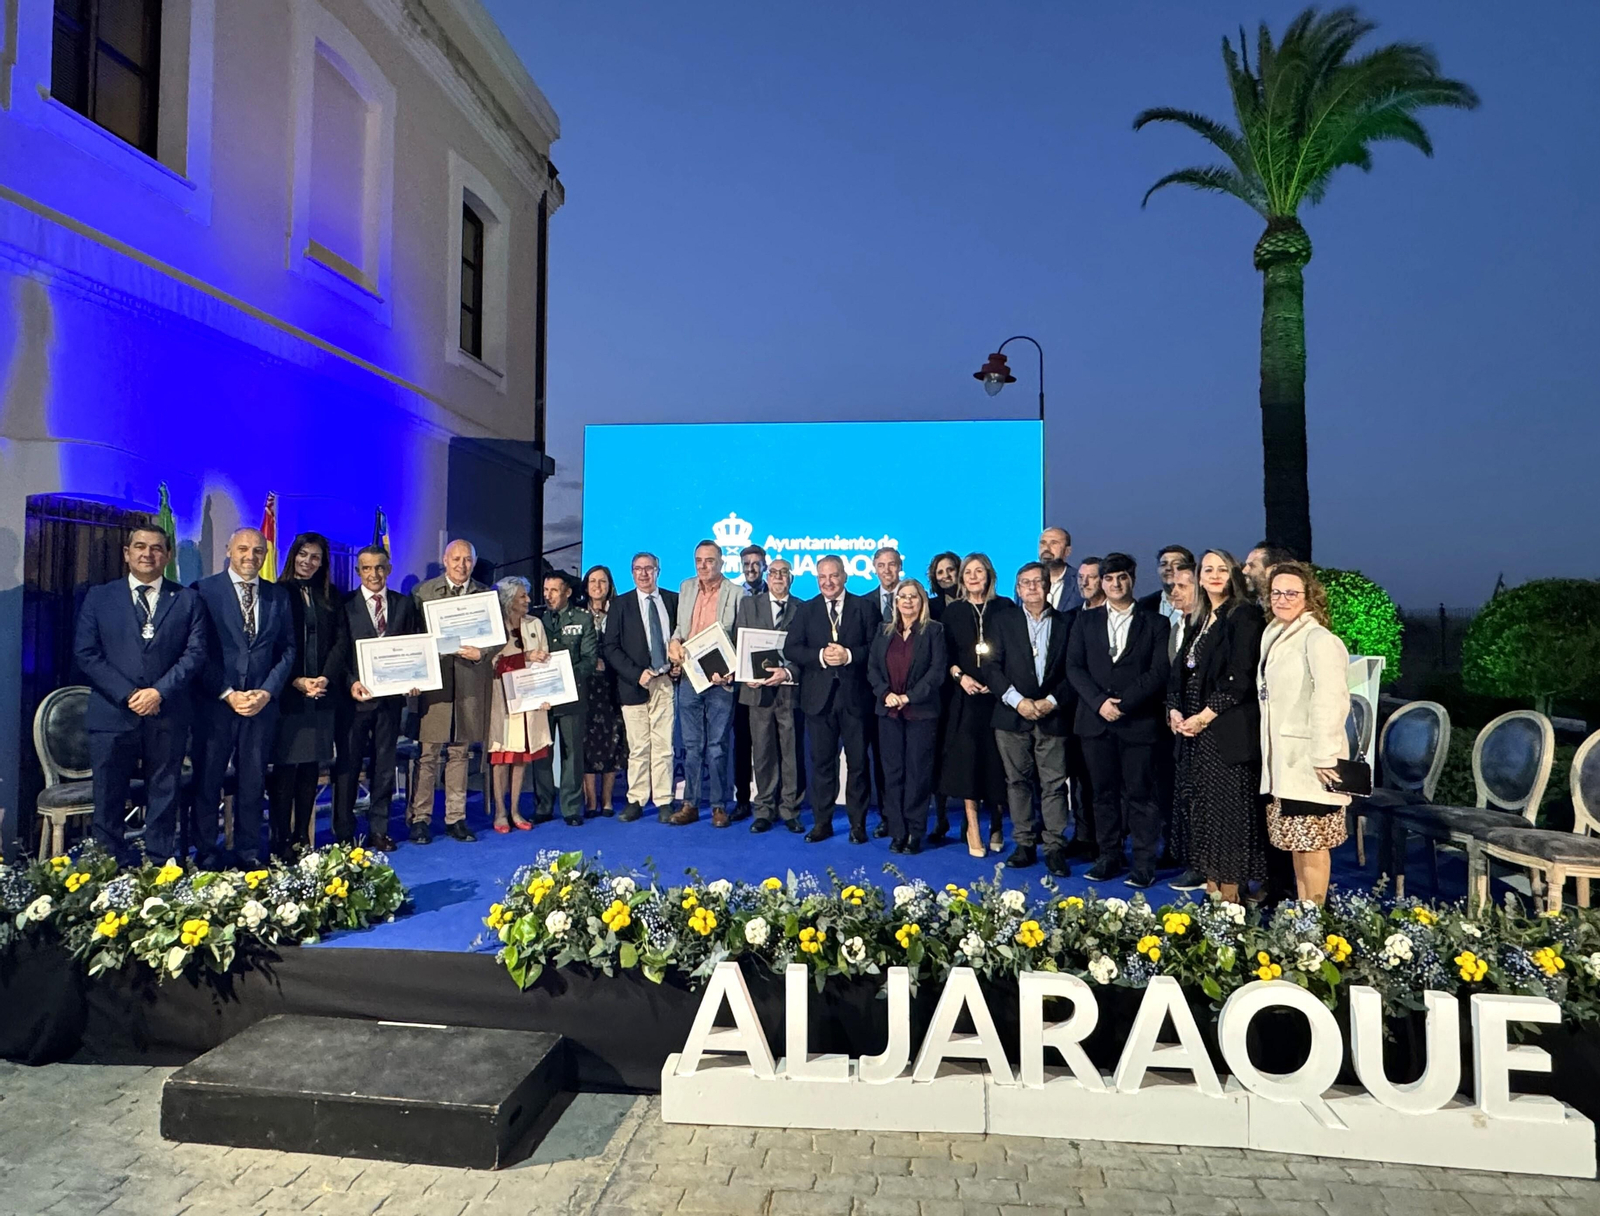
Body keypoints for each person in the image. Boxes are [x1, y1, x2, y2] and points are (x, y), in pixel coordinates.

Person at [72, 525, 207, 865]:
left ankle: (159, 868)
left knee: (164, 792)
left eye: (157, 548)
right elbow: (86, 654)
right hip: (112, 713)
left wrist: (157, 692)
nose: (148, 554)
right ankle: (107, 869)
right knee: (109, 796)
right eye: (141, 547)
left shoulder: (188, 600)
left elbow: (194, 654)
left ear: (168, 555)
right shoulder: (99, 597)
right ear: (127, 553)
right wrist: (130, 694)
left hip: (167, 712)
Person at [1064, 552, 1171, 888]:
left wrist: (1123, 704)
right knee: (1102, 795)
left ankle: (1143, 863)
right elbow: (1074, 668)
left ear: (1132, 579)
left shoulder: (1155, 623)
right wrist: (1099, 703)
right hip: (1096, 722)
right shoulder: (1085, 621)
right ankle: (1109, 856)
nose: (1114, 584)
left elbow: (1157, 672)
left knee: (1140, 795)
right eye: (1108, 579)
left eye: (1121, 577)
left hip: (1137, 722)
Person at [1166, 550, 1266, 902]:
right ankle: (1212, 895)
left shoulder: (1243, 615)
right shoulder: (1201, 617)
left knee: (1228, 822)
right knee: (1204, 819)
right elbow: (1181, 673)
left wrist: (1204, 717)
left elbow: (1239, 680)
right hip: (1193, 737)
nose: (1214, 574)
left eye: (1221, 568)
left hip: (1225, 736)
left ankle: (1231, 903)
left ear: (1233, 573)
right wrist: (1174, 711)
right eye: (1207, 569)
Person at [193, 527, 296, 867]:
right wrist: (227, 693)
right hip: (215, 705)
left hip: (261, 707)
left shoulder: (277, 596)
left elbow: (287, 650)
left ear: (265, 556)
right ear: (228, 550)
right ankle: (207, 853)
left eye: (257, 551)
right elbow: (198, 653)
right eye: (242, 549)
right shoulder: (203, 592)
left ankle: (249, 852)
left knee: (252, 784)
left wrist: (267, 691)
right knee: (208, 783)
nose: (250, 556)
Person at [1258, 561, 1351, 904]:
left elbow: (1332, 697)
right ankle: (1304, 912)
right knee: (1298, 845)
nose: (1282, 599)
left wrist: (1325, 754)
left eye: (1291, 593)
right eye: (1276, 592)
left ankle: (1315, 919)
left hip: (1311, 763)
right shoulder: (1276, 634)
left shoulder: (1318, 639)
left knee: (1312, 846)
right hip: (1286, 762)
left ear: (1309, 597)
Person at [981, 562, 1074, 875]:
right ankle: (1024, 843)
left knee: (1054, 784)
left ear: (1048, 586)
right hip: (1011, 715)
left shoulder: (1066, 623)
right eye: (1025, 583)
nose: (1032, 588)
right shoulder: (1002, 620)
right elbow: (990, 668)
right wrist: (1018, 701)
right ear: (1017, 590)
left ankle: (1055, 846)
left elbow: (1073, 670)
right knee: (1017, 783)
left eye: (1038, 582)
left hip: (1053, 715)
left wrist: (1049, 702)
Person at [784, 554, 876, 842]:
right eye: (822, 577)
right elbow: (792, 649)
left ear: (845, 576)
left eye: (833, 575)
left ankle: (857, 825)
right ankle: (822, 823)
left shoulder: (865, 607)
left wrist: (849, 655)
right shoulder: (806, 610)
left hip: (855, 699)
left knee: (859, 765)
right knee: (822, 764)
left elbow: (876, 648)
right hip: (818, 700)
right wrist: (821, 656)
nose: (828, 582)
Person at [265, 533, 347, 859]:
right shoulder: (276, 593)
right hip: (288, 695)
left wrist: (324, 677)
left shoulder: (331, 596)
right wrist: (297, 681)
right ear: (292, 556)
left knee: (311, 769)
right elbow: (272, 646)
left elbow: (341, 642)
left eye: (315, 557)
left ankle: (302, 837)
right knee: (285, 770)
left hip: (322, 696)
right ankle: (280, 839)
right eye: (303, 554)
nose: (308, 562)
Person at [333, 545, 419, 851]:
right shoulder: (344, 605)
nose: (374, 574)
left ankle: (378, 830)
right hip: (353, 701)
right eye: (367, 568)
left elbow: (414, 648)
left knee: (384, 767)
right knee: (348, 766)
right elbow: (338, 655)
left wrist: (414, 680)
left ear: (389, 569)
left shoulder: (404, 605)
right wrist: (351, 682)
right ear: (358, 572)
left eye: (379, 567)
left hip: (390, 702)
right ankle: (344, 832)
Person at [409, 539, 494, 844]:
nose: (461, 565)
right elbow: (413, 636)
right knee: (428, 754)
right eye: (456, 559)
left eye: (467, 560)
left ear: (474, 561)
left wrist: (481, 653)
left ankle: (455, 818)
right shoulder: (423, 593)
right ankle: (420, 819)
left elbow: (496, 637)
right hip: (436, 686)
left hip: (470, 684)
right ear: (444, 560)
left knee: (460, 753)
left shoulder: (485, 595)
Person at [937, 552, 1012, 858]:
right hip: (965, 698)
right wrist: (961, 677)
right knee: (969, 764)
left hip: (997, 697)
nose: (973, 576)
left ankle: (996, 822)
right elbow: (945, 657)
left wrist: (998, 683)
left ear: (989, 575)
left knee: (995, 763)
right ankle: (972, 827)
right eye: (968, 572)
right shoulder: (952, 612)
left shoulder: (1005, 608)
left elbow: (1015, 653)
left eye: (978, 571)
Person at [666, 540, 743, 827]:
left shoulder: (736, 593)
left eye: (709, 560)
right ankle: (690, 804)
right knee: (691, 744)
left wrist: (730, 669)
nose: (703, 566)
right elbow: (680, 629)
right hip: (690, 676)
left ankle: (719, 806)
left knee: (718, 746)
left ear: (721, 562)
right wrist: (673, 642)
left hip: (721, 679)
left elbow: (739, 636)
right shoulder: (686, 588)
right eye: (698, 560)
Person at [867, 579, 947, 853]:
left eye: (913, 596)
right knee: (892, 774)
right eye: (903, 596)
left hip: (920, 712)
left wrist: (908, 697)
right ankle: (897, 831)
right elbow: (872, 669)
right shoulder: (883, 631)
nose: (908, 601)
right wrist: (885, 692)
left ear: (922, 601)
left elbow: (936, 673)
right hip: (887, 712)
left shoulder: (934, 631)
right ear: (895, 601)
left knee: (917, 774)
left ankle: (915, 832)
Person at [602, 552, 679, 821]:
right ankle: (636, 799)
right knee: (638, 747)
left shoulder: (673, 600)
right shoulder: (621, 604)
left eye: (649, 568)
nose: (644, 574)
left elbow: (681, 639)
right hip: (633, 685)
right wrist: (637, 674)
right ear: (631, 573)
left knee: (664, 745)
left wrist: (678, 664)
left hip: (666, 682)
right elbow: (610, 647)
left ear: (658, 570)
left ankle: (664, 801)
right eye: (638, 569)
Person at [738, 557, 805, 834]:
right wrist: (746, 674)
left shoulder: (803, 608)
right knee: (763, 752)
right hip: (758, 691)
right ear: (767, 576)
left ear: (791, 578)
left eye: (784, 572)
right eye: (774, 572)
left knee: (791, 752)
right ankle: (764, 809)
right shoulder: (749, 604)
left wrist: (788, 672)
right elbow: (738, 640)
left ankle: (790, 809)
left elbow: (806, 649)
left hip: (789, 690)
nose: (778, 577)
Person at [484, 577, 553, 832]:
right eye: (522, 596)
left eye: (527, 595)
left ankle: (515, 810)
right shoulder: (494, 627)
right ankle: (500, 812)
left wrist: (549, 691)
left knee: (522, 756)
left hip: (530, 698)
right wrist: (524, 657)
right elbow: (491, 664)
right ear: (508, 599)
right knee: (502, 755)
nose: (527, 600)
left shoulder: (535, 624)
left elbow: (546, 660)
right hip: (501, 698)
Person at [530, 572, 597, 826]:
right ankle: (544, 805)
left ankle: (571, 808)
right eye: (545, 590)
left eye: (554, 590)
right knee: (542, 753)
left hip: (571, 695)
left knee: (572, 753)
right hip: (541, 698)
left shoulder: (582, 619)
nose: (548, 596)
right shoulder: (536, 619)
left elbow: (590, 660)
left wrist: (564, 678)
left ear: (567, 592)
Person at [580, 565, 626, 816]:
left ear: (610, 586)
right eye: (593, 581)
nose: (597, 586)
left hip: (614, 685)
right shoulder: (577, 614)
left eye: (603, 582)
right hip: (586, 686)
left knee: (613, 740)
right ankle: (590, 801)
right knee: (587, 741)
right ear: (586, 585)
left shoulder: (620, 612)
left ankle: (607, 799)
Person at [733, 544, 769, 820]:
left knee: (771, 744)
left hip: (772, 682)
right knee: (743, 743)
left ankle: (773, 799)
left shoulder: (778, 593)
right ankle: (743, 800)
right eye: (746, 564)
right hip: (740, 683)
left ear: (765, 566)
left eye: (756, 563)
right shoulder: (734, 596)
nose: (751, 568)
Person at [1137, 545, 1195, 624]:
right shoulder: (1145, 605)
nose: (1168, 568)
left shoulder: (1204, 603)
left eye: (1176, 563)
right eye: (1163, 564)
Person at [1040, 527, 1083, 612]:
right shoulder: (1027, 581)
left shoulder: (1079, 581)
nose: (1046, 548)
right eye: (1043, 543)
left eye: (1054, 543)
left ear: (1067, 551)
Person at [926, 551, 961, 620]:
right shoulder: (931, 607)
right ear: (935, 577)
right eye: (940, 572)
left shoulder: (976, 600)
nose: (946, 575)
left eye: (950, 570)